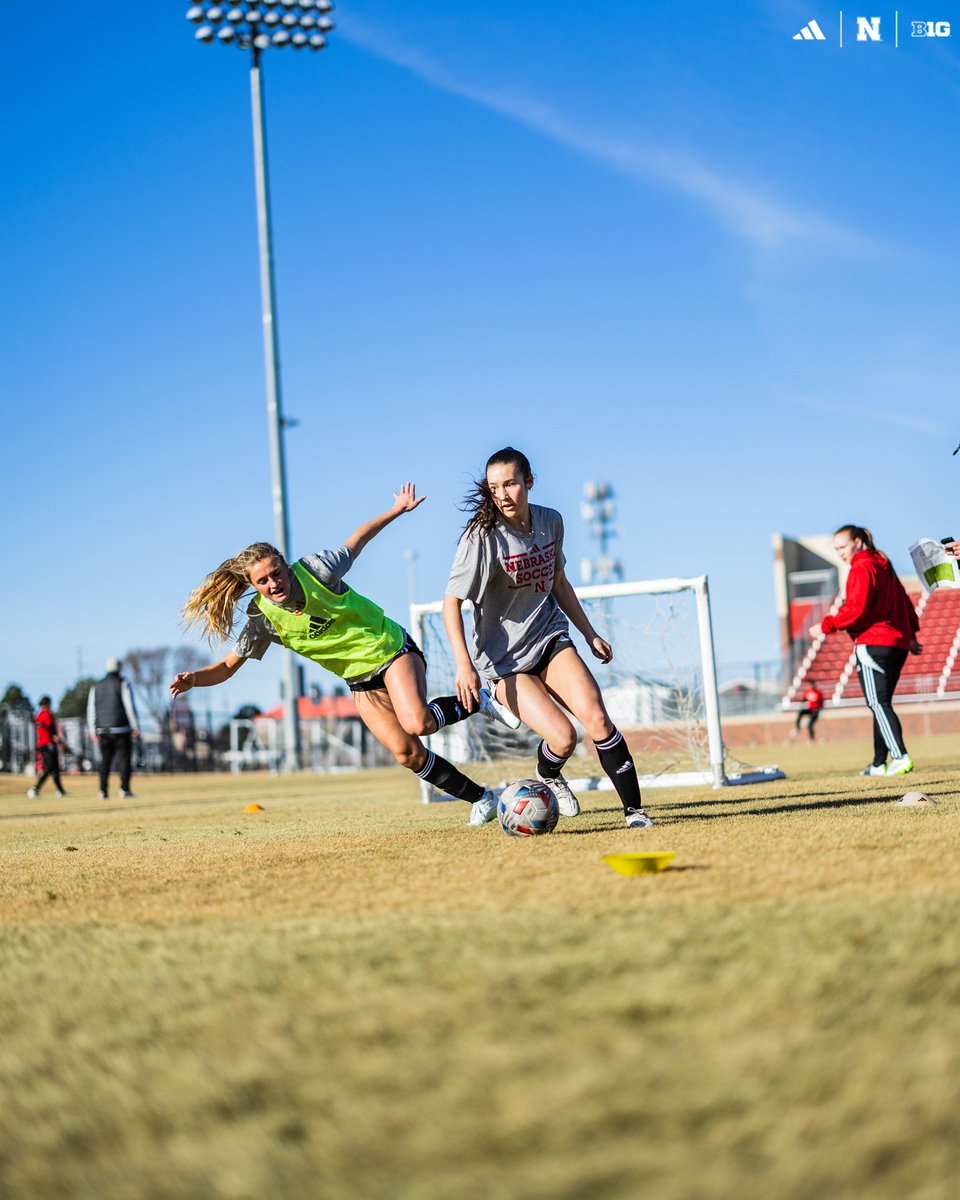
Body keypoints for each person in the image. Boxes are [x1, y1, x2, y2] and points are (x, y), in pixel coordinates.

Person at [169, 484, 516, 825]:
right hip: (359, 680)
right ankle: (483, 798)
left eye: (276, 573)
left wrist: (396, 510)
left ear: (286, 567)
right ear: (253, 586)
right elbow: (228, 667)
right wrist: (194, 680)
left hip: (390, 648)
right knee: (406, 753)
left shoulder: (317, 570)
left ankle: (478, 699)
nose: (274, 584)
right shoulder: (262, 620)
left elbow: (358, 540)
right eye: (262, 581)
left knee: (418, 722)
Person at [442, 446, 655, 829]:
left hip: (549, 636)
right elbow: (450, 604)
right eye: (494, 487)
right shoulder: (481, 537)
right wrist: (463, 665)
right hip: (504, 662)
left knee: (598, 719)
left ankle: (635, 814)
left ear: (529, 482)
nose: (503, 494)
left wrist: (590, 634)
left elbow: (558, 581)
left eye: (510, 484)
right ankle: (551, 774)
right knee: (562, 738)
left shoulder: (551, 522)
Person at [809, 525, 921, 777]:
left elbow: (856, 608)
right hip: (898, 644)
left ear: (858, 543)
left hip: (874, 642)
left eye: (842, 547)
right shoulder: (883, 564)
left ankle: (900, 757)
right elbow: (903, 598)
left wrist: (825, 625)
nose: (840, 553)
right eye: (836, 549)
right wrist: (912, 633)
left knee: (877, 703)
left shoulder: (862, 567)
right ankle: (878, 763)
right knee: (881, 704)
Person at [87, 658, 141, 799]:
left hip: (103, 730)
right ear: (119, 668)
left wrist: (93, 730)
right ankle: (124, 789)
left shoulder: (96, 686)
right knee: (124, 760)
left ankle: (103, 791)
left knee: (105, 761)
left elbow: (91, 709)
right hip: (122, 728)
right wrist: (135, 725)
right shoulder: (123, 683)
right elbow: (129, 705)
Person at [27, 696, 67, 798]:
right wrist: (58, 740)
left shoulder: (38, 715)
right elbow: (51, 731)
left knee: (55, 769)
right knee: (49, 768)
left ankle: (60, 790)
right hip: (48, 745)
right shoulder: (47, 715)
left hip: (42, 745)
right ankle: (35, 788)